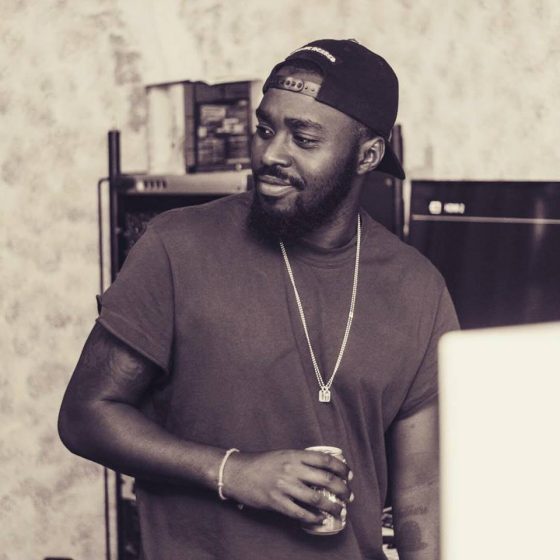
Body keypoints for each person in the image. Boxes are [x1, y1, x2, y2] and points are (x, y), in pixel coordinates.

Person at [59, 38, 458, 560]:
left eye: (304, 139)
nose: (270, 154)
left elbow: (422, 494)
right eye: (265, 129)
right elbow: (86, 415)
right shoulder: (177, 246)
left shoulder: (418, 289)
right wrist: (232, 471)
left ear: (367, 155)